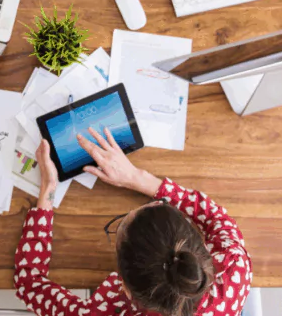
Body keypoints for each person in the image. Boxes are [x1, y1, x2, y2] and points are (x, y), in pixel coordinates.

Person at [15, 128, 251, 316]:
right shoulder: (234, 266)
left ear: (124, 289)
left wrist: (48, 190)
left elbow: (29, 282)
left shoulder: (103, 311)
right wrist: (137, 178)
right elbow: (216, 218)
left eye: (119, 225)